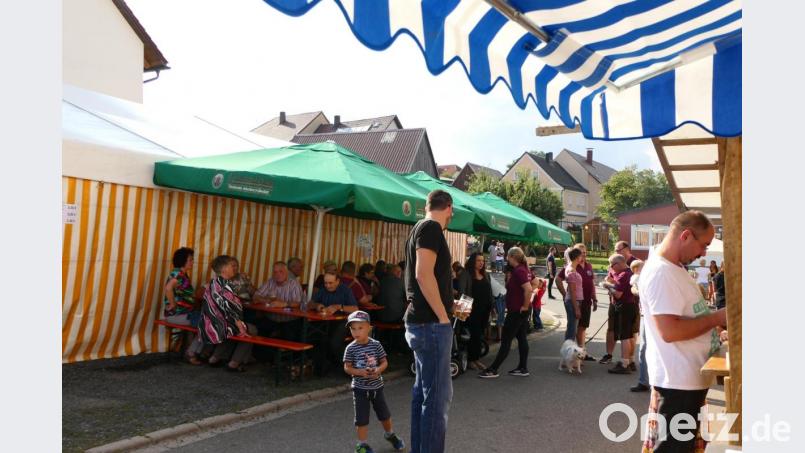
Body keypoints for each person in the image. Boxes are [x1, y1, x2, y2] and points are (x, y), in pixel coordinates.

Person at [640, 210, 726, 452]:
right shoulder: (661, 272)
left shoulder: (673, 268)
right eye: (704, 245)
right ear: (686, 236)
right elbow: (670, 331)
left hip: (685, 380)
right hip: (677, 382)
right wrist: (717, 317)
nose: (704, 253)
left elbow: (690, 316)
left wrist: (716, 328)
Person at [403, 189, 455, 453]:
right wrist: (443, 315)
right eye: (452, 212)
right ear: (448, 207)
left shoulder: (418, 228)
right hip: (431, 326)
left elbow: (422, 277)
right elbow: (423, 275)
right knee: (436, 400)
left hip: (422, 322)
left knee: (423, 394)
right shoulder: (432, 229)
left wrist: (447, 304)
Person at [343, 311, 406, 453]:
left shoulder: (376, 345)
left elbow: (384, 362)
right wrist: (359, 372)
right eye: (353, 328)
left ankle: (390, 434)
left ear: (369, 328)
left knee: (385, 415)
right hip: (359, 390)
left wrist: (378, 370)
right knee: (361, 419)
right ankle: (362, 444)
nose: (356, 332)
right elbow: (347, 367)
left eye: (360, 328)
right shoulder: (350, 348)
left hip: (377, 388)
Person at [479, 247, 534, 378]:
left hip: (517, 311)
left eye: (507, 256)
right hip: (519, 310)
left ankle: (493, 369)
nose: (505, 258)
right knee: (521, 338)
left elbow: (529, 289)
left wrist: (525, 306)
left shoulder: (519, 271)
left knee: (506, 340)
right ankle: (522, 367)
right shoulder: (524, 269)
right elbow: (535, 283)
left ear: (511, 257)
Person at [199, 255, 258, 372]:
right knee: (251, 330)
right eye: (232, 266)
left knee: (234, 331)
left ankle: (215, 358)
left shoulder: (213, 283)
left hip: (211, 322)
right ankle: (234, 363)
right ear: (224, 268)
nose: (235, 269)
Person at [163, 247, 205, 365]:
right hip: (178, 315)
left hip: (183, 314)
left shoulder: (181, 274)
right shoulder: (178, 274)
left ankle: (194, 352)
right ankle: (191, 353)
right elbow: (168, 288)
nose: (192, 262)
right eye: (190, 260)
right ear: (183, 261)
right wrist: (173, 305)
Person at [309, 271, 359, 367]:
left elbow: (355, 309)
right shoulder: (323, 290)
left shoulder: (345, 290)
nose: (327, 285)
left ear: (337, 281)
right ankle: (323, 366)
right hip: (325, 322)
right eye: (325, 283)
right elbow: (310, 304)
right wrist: (317, 305)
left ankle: (351, 367)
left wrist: (339, 307)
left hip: (343, 322)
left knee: (335, 343)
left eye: (330, 283)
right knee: (314, 338)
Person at [556, 243, 597, 359]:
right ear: (576, 254)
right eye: (581, 252)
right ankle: (569, 354)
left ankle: (581, 352)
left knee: (583, 327)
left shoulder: (588, 266)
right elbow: (558, 280)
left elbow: (592, 283)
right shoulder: (572, 267)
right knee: (573, 328)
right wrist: (565, 294)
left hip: (586, 301)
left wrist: (595, 298)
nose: (583, 255)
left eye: (585, 252)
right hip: (576, 301)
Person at [456, 252, 494, 370]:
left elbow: (490, 292)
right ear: (473, 261)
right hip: (470, 310)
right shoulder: (465, 274)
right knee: (472, 335)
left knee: (478, 336)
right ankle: (472, 360)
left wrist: (492, 308)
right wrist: (463, 312)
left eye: (482, 260)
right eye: (478, 260)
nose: (481, 263)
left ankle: (475, 358)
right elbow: (462, 292)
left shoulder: (486, 275)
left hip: (484, 310)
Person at [601, 241, 636, 364]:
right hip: (625, 305)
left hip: (625, 306)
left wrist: (608, 286)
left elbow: (618, 294)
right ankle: (628, 362)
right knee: (626, 334)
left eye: (612, 265)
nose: (611, 267)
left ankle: (625, 363)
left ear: (619, 263)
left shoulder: (623, 274)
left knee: (625, 336)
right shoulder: (626, 272)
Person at [253, 261, 305, 340]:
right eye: (275, 272)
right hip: (271, 318)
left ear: (287, 272)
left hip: (289, 319)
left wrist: (284, 304)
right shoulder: (270, 281)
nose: (278, 274)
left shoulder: (294, 284)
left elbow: (298, 303)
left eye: (281, 271)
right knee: (258, 332)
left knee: (290, 338)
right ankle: (261, 351)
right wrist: (267, 300)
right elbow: (256, 296)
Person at [630, 259, 650, 392]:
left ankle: (647, 382)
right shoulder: (639, 278)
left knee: (647, 349)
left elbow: (634, 289)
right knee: (643, 349)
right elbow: (633, 287)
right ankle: (644, 381)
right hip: (646, 316)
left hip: (652, 317)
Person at [561, 248, 584, 344]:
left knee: (572, 327)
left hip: (574, 301)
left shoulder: (572, 268)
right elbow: (572, 291)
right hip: (573, 302)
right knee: (572, 329)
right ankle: (568, 352)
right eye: (581, 255)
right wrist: (576, 308)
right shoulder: (571, 270)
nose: (582, 257)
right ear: (577, 257)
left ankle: (568, 351)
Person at [490, 266, 508, 341]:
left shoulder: (489, 276)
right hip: (503, 294)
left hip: (498, 296)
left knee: (498, 316)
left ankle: (498, 336)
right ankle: (499, 336)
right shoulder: (491, 277)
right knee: (500, 317)